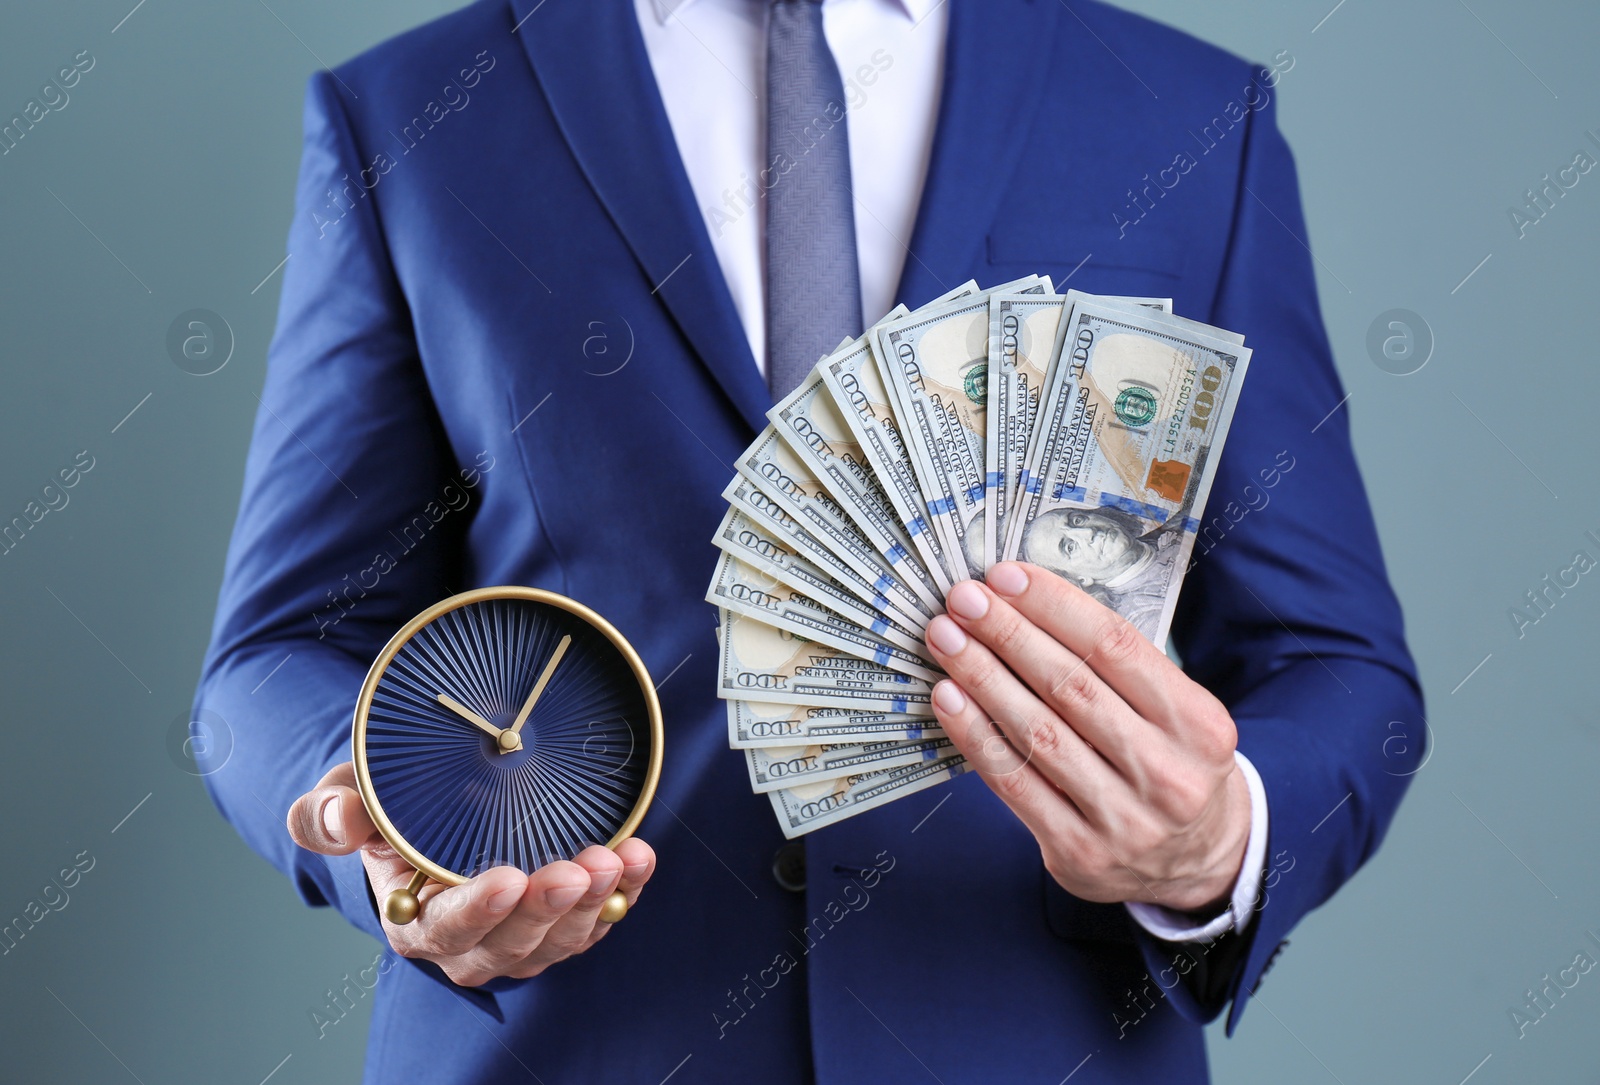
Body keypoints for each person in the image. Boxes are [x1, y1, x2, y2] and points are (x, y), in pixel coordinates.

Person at [194, 1, 1424, 1082]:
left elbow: (1334, 658)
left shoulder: (1187, 112)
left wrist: (1216, 842)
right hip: (566, 1041)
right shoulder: (411, 110)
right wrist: (390, 858)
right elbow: (275, 653)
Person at [1021, 506, 1182, 639]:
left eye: (1077, 520)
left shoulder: (1178, 525)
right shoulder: (1143, 620)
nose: (1088, 532)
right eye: (1070, 547)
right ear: (1081, 580)